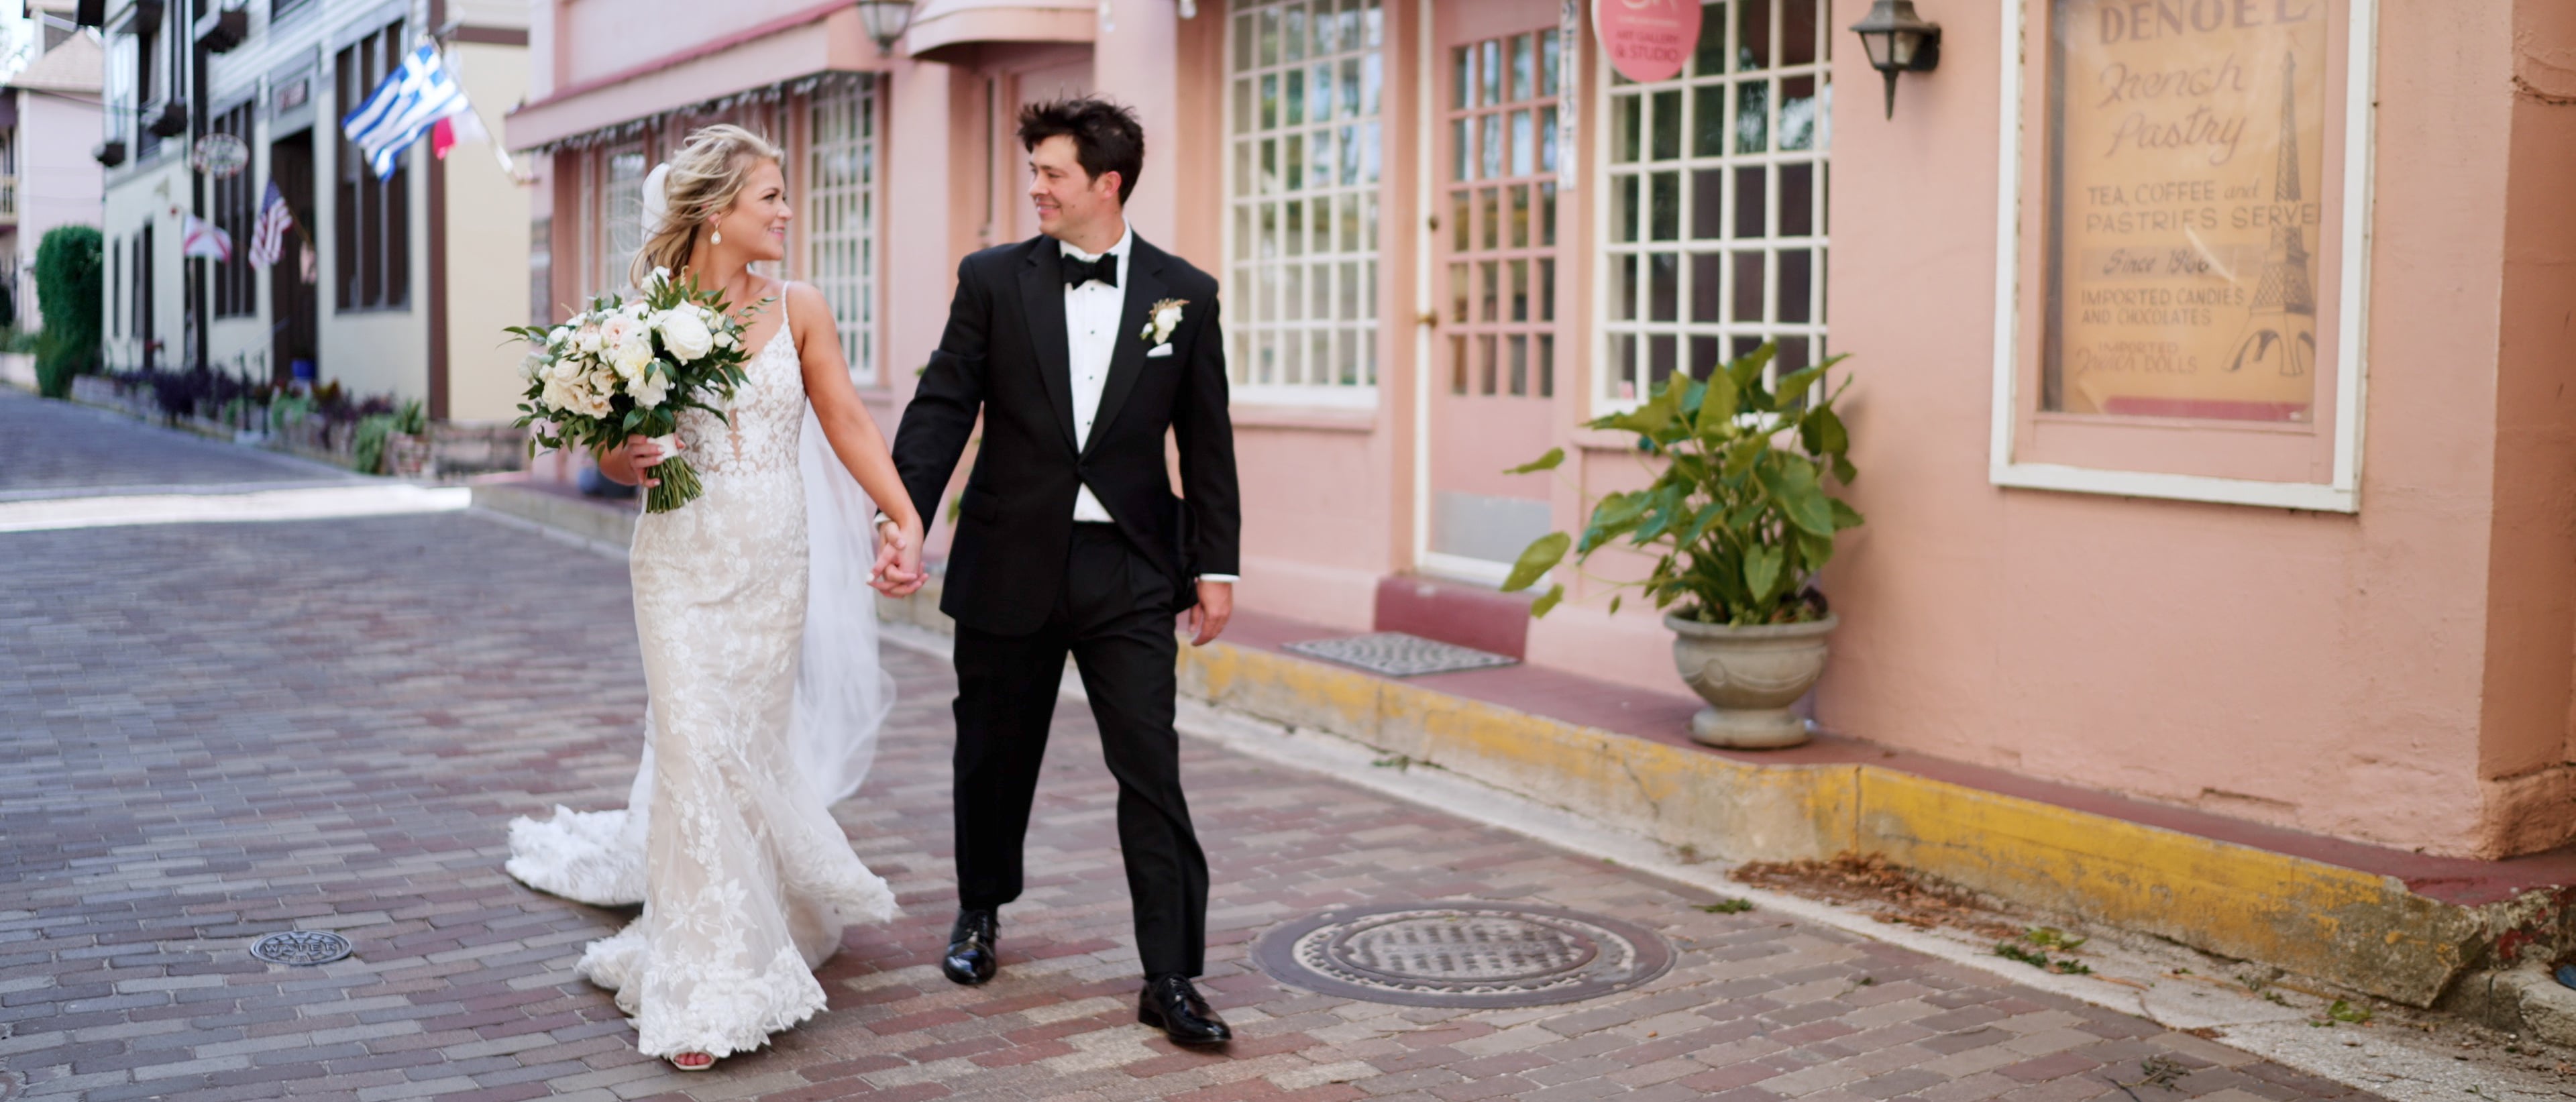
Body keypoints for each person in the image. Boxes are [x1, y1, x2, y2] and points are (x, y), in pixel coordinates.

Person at [502, 124, 927, 1072]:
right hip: (679, 565)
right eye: (770, 197)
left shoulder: (804, 308)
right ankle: (703, 984)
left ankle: (762, 917)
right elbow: (603, 449)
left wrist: (904, 516)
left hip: (774, 565)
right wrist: (628, 455)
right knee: (692, 749)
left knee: (745, 752)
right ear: (717, 214)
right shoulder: (642, 316)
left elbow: (848, 419)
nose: (786, 212)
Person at [883, 96, 1244, 1047]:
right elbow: (942, 406)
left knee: (1152, 769)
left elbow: (1206, 443)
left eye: (1052, 173)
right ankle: (979, 910)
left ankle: (1169, 975)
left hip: (1129, 565)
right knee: (993, 756)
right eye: (1034, 170)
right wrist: (906, 516)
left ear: (1107, 183)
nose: (1035, 188)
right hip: (1009, 555)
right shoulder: (994, 281)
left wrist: (1216, 566)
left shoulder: (1186, 294)